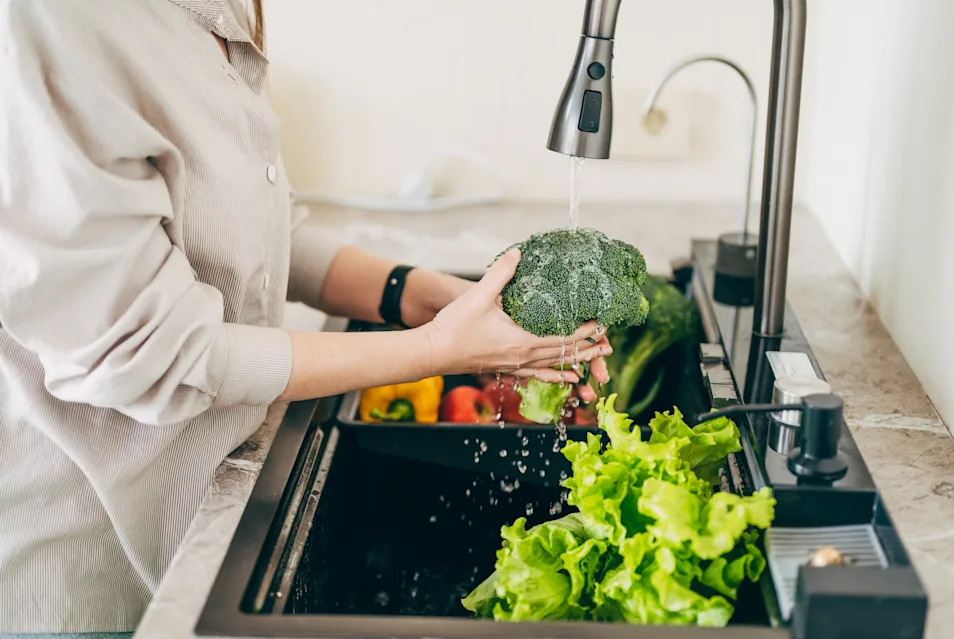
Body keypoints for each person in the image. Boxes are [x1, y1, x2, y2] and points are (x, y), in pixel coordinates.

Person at [0, 1, 612, 636]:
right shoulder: (50, 19)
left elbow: (243, 235)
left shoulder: (214, 9)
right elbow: (145, 353)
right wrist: (437, 348)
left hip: (198, 500)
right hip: (76, 565)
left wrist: (423, 295)